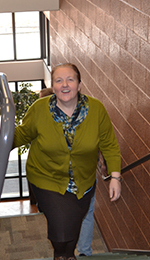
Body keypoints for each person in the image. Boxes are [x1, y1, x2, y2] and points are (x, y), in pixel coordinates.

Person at [12, 63, 122, 260]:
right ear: (53, 86)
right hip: (46, 178)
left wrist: (115, 177)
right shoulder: (39, 109)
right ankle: (63, 254)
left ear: (79, 84)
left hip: (83, 181)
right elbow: (21, 134)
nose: (65, 85)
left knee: (72, 228)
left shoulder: (96, 109)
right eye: (59, 80)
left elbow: (109, 145)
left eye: (70, 79)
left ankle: (64, 256)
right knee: (61, 227)